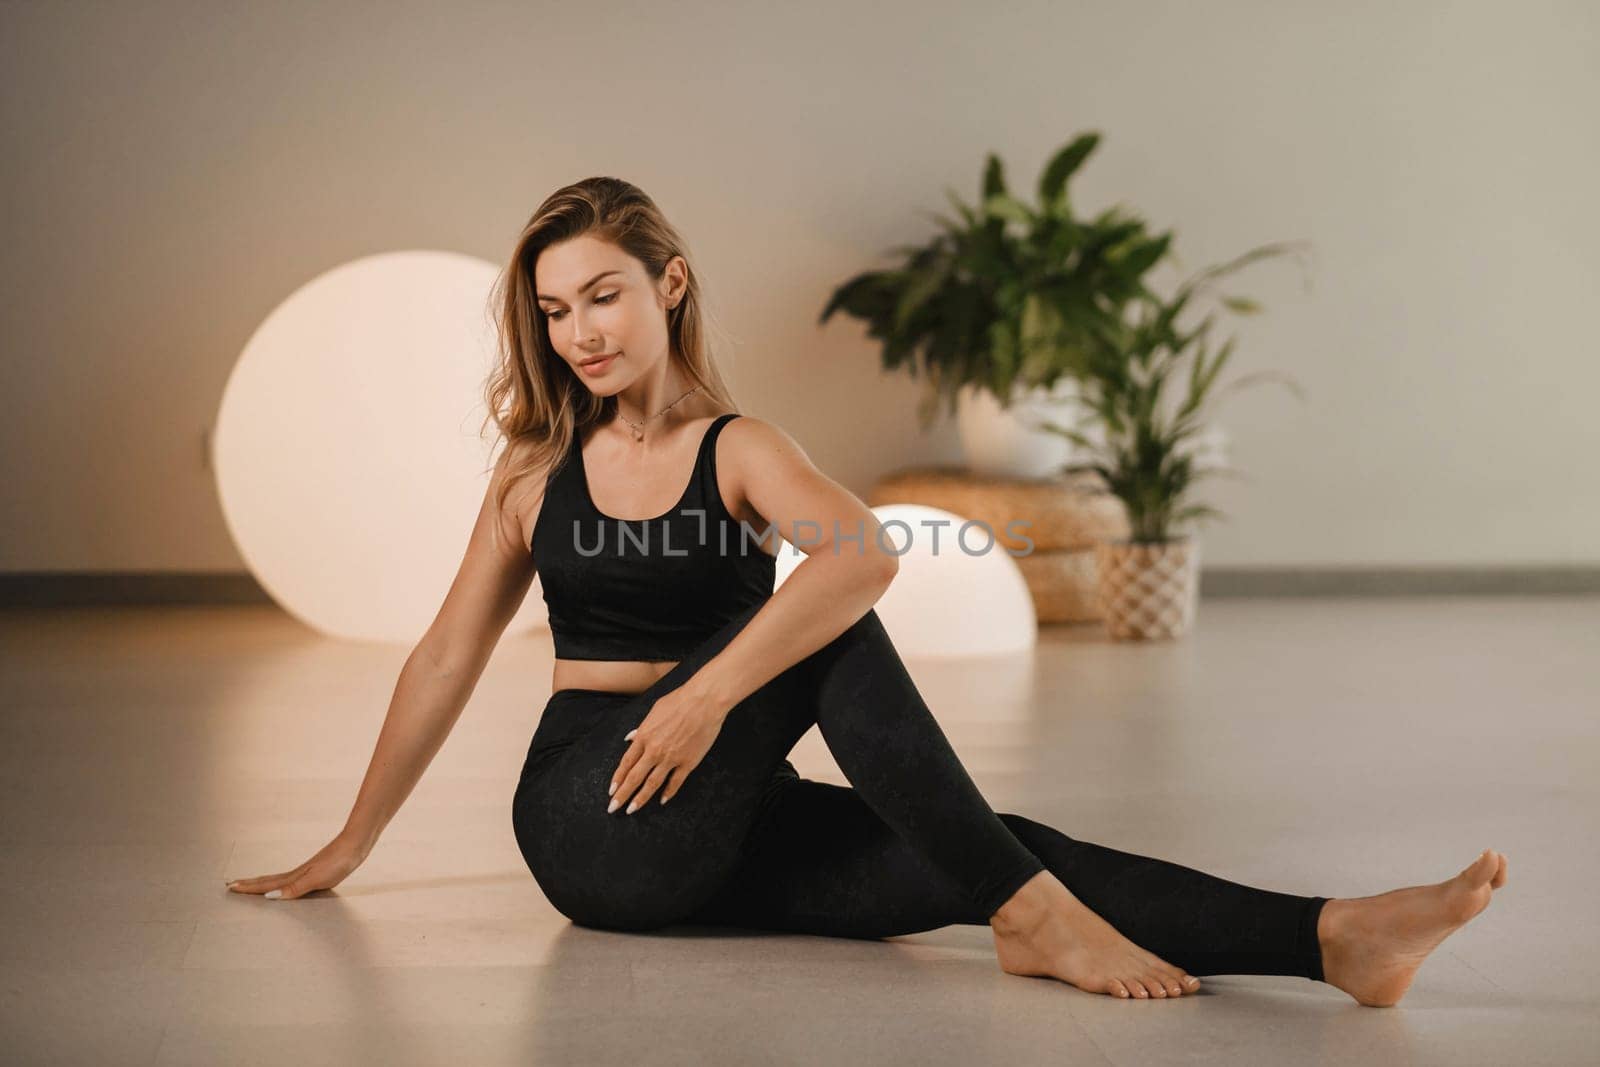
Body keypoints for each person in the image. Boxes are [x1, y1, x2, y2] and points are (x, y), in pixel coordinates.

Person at [225, 177, 1508, 1006]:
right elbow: (447, 654)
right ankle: (1036, 922)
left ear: (668, 282)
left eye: (603, 293)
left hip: (721, 817)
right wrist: (351, 841)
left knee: (1000, 849)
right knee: (838, 617)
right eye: (555, 309)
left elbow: (860, 551)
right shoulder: (534, 470)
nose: (580, 332)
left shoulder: (739, 446)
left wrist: (708, 698)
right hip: (591, 816)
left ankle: (1333, 935)